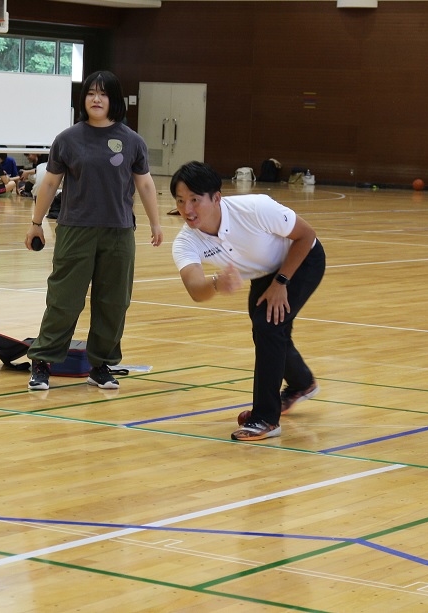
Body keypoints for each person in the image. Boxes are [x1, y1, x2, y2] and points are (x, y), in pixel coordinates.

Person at [25, 70, 163, 392]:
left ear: (114, 100)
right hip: (76, 230)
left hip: (119, 233)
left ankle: (100, 365)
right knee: (64, 299)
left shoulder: (132, 140)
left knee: (114, 301)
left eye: (103, 94)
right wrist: (36, 223)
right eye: (90, 93)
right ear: (83, 99)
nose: (96, 99)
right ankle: (43, 361)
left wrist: (156, 223)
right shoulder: (68, 139)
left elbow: (144, 183)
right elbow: (50, 182)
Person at [170, 161, 325, 441]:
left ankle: (265, 418)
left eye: (195, 199)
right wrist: (217, 283)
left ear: (216, 197)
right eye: (181, 201)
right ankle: (302, 383)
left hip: (301, 262)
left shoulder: (255, 208)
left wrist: (282, 282)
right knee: (268, 326)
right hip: (264, 272)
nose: (187, 209)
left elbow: (306, 235)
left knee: (268, 326)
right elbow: (195, 289)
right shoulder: (186, 241)